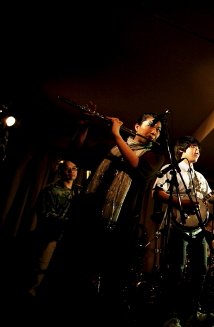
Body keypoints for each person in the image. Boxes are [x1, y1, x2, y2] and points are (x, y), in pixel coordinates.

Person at [64, 101, 165, 299]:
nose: (155, 131)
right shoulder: (111, 146)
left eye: (159, 130)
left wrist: (117, 135)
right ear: (137, 127)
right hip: (87, 217)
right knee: (74, 272)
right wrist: (83, 126)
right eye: (151, 125)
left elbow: (140, 170)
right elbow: (77, 155)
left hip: (119, 226)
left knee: (110, 279)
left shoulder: (154, 156)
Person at [153, 136, 214, 327]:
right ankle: (170, 317)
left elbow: (211, 198)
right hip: (177, 226)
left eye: (198, 147)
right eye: (193, 147)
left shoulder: (199, 176)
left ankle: (192, 312)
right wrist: (182, 202)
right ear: (181, 150)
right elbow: (156, 192)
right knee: (176, 271)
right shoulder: (170, 170)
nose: (197, 150)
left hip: (198, 228)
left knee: (201, 270)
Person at [28, 159, 82, 296]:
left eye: (74, 168)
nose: (71, 171)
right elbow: (46, 215)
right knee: (39, 272)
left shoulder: (79, 191)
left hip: (69, 239)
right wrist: (69, 222)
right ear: (60, 171)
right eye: (67, 169)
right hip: (50, 236)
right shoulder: (50, 190)